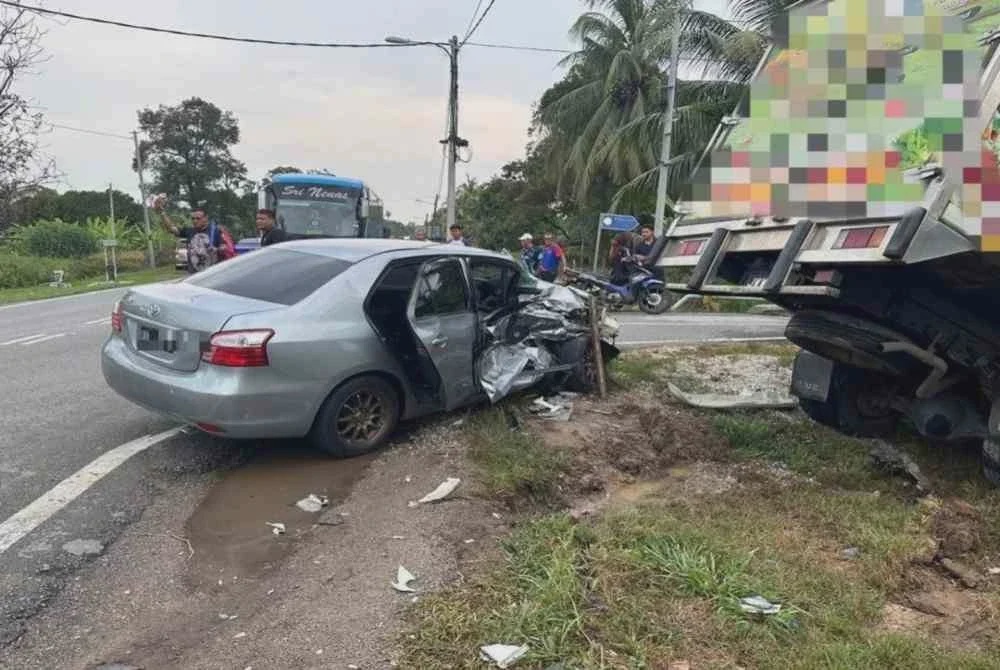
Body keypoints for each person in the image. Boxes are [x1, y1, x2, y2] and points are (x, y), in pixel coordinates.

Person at [154, 197, 232, 273]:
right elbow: (171, 228)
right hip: (194, 275)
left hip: (212, 273)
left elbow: (225, 247)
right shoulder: (189, 231)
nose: (195, 221)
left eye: (198, 218)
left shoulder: (216, 231)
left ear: (205, 218)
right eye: (193, 218)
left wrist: (217, 249)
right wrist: (162, 212)